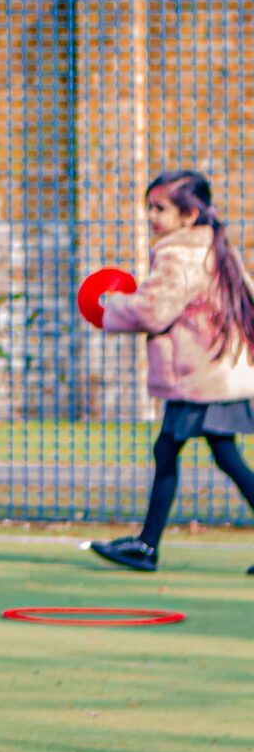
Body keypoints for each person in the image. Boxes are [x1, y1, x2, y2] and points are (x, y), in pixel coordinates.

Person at [86, 171, 254, 573]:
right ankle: (146, 544)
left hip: (199, 377)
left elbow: (153, 309)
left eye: (159, 208)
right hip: (218, 372)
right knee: (216, 454)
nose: (151, 216)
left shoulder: (178, 254)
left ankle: (146, 546)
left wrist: (108, 308)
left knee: (186, 453)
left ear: (189, 215)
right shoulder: (217, 248)